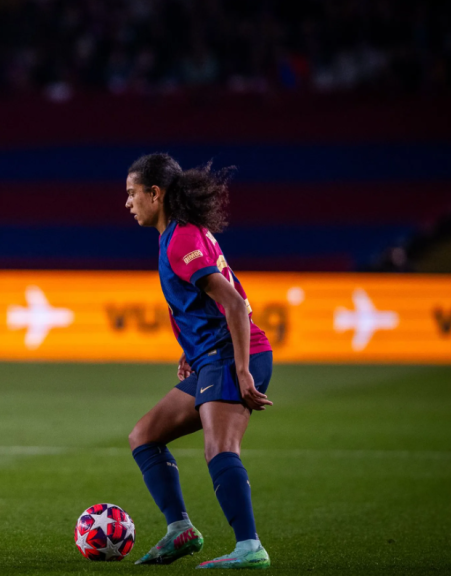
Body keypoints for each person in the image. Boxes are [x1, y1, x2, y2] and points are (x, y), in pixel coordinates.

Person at [123, 153, 273, 569]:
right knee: (144, 436)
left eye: (132, 193)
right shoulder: (178, 233)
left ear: (155, 193)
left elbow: (235, 304)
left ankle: (249, 547)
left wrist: (241, 370)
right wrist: (191, 350)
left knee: (219, 448)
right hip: (212, 357)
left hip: (231, 356)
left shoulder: (182, 240)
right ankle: (180, 530)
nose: (128, 202)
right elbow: (200, 306)